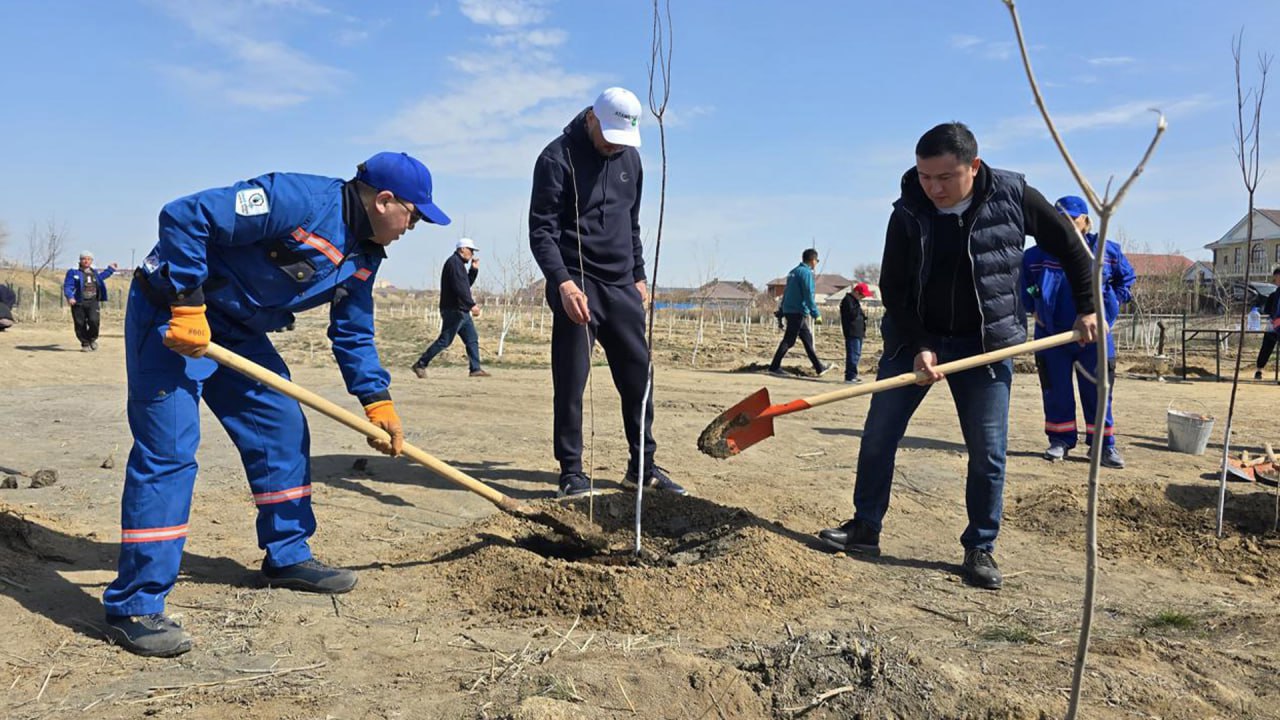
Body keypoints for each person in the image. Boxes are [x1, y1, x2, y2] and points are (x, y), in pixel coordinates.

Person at [103, 152, 450, 657]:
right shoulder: (297, 200)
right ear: (385, 200)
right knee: (171, 451)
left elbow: (352, 331)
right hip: (173, 318)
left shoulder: (365, 256)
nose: (413, 226)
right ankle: (134, 604)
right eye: (414, 216)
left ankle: (287, 554)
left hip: (237, 332)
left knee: (282, 425)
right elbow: (184, 215)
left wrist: (378, 401)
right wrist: (187, 304)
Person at [818, 122, 1098, 590]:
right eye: (925, 177)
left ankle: (980, 547)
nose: (934, 188)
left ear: (974, 166)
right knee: (879, 435)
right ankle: (864, 527)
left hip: (986, 345)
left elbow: (1072, 247)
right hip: (915, 341)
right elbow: (896, 288)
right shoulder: (908, 209)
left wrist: (1088, 307)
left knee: (988, 452)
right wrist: (921, 344)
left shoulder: (1014, 196)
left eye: (944, 178)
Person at [529, 86, 686, 499]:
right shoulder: (555, 158)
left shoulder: (629, 158)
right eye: (610, 137)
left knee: (639, 376)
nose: (616, 147)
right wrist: (562, 282)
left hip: (621, 285)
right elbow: (541, 231)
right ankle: (572, 472)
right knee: (572, 379)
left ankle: (643, 467)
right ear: (593, 119)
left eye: (625, 140)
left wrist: (638, 274)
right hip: (576, 283)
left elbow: (631, 223)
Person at [1022, 196, 1136, 468]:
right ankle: (1060, 440)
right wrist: (1033, 306)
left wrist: (1112, 305)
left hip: (1095, 338)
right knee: (1055, 389)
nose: (1067, 226)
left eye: (1072, 220)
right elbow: (1024, 285)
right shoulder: (1036, 256)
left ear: (1085, 221)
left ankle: (1103, 446)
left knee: (1099, 390)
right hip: (1051, 336)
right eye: (1061, 220)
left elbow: (1126, 280)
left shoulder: (1105, 252)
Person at [412, 238, 488, 378]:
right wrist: (472, 305)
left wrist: (473, 270)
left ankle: (475, 369)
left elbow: (465, 284)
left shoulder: (458, 265)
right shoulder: (454, 264)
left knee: (472, 339)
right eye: (470, 250)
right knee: (445, 340)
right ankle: (421, 364)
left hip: (461, 310)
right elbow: (460, 288)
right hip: (454, 310)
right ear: (462, 249)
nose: (471, 253)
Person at [768, 249, 831, 377]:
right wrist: (816, 313)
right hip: (798, 311)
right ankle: (774, 367)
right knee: (789, 340)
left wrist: (782, 309)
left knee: (807, 339)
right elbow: (808, 294)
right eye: (817, 261)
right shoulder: (806, 273)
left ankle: (819, 367)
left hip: (790, 310)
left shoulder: (793, 272)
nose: (816, 264)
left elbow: (786, 293)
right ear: (813, 260)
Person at [63, 251, 119, 351]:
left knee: (94, 321)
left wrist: (110, 270)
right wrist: (70, 296)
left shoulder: (93, 272)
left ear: (91, 261)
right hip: (78, 302)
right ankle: (85, 343)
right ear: (80, 260)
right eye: (84, 259)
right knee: (80, 324)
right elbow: (68, 286)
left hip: (93, 301)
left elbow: (101, 278)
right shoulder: (73, 272)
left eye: (89, 259)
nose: (86, 261)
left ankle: (92, 339)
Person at [840, 282, 873, 383]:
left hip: (857, 332)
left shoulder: (855, 301)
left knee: (856, 354)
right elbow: (852, 314)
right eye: (862, 295)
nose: (862, 297)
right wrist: (861, 309)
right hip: (852, 332)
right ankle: (850, 376)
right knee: (853, 354)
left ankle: (853, 374)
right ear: (856, 292)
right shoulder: (848, 300)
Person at [1253, 267, 1280, 380]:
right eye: (1275, 278)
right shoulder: (1274, 294)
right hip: (1274, 325)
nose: (1276, 280)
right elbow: (1268, 310)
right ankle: (1259, 370)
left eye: (1278, 277)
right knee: (1266, 346)